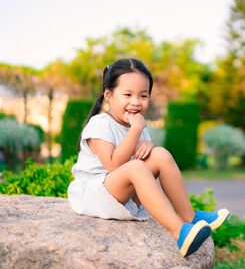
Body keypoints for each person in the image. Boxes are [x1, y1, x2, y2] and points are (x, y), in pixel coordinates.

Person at [67, 58, 229, 258]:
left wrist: (149, 145)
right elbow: (113, 164)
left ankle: (191, 217)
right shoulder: (100, 124)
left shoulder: (136, 124)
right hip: (95, 193)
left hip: (121, 193)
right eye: (127, 94)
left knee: (161, 154)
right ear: (108, 94)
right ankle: (179, 232)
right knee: (136, 167)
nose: (136, 102)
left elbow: (143, 158)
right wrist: (136, 131)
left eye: (143, 95)